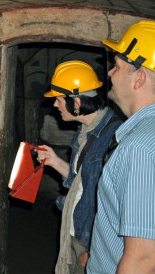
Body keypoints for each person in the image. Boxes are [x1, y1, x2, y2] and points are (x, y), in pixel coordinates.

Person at [87, 20, 155, 273]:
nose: (110, 74)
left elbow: (145, 259)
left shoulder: (142, 149)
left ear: (139, 78)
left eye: (116, 66)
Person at [36, 61, 122, 274]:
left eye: (58, 99)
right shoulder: (85, 129)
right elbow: (81, 180)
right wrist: (55, 162)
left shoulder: (114, 137)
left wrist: (95, 248)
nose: (55, 105)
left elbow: (115, 203)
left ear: (75, 102)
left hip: (89, 238)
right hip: (75, 227)